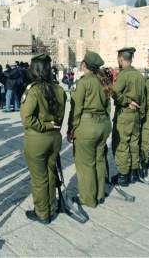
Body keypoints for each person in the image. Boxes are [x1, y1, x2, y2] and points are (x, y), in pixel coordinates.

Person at [20, 53, 66, 223]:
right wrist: (51, 125)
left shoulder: (33, 90)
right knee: (51, 173)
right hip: (54, 138)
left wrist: (44, 125)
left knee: (39, 178)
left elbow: (27, 118)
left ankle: (42, 212)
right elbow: (60, 116)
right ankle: (51, 207)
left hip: (37, 139)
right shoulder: (59, 89)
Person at [67, 51, 112, 208]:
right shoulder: (103, 81)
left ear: (84, 65)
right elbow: (108, 106)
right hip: (103, 124)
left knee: (85, 163)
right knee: (99, 160)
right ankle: (99, 194)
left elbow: (76, 108)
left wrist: (71, 128)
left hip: (87, 125)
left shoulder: (84, 82)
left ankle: (88, 198)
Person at [111, 47, 146, 186]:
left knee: (121, 144)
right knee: (134, 144)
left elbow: (114, 93)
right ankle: (134, 173)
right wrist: (141, 115)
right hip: (136, 115)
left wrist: (126, 101)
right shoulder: (139, 75)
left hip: (124, 114)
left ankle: (123, 176)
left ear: (120, 59)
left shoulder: (124, 74)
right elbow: (144, 98)